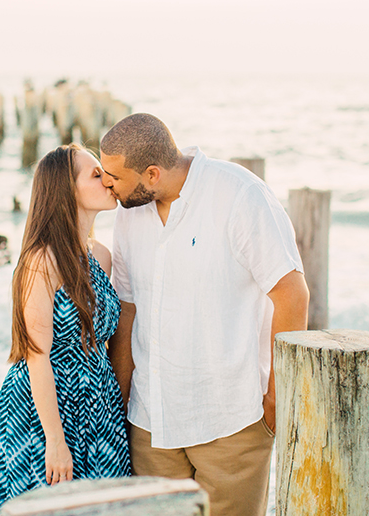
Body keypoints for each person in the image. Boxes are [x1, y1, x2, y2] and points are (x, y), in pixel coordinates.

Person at [99, 114, 309, 516]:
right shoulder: (129, 212)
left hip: (231, 420)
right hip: (150, 422)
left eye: (114, 176)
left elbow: (291, 294)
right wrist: (121, 404)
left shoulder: (239, 195)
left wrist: (277, 398)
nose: (106, 184)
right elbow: (127, 312)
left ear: (153, 174)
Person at [0, 144, 131, 514]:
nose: (108, 180)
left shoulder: (101, 256)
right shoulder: (42, 259)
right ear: (66, 189)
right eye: (95, 174)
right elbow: (37, 356)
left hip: (99, 408)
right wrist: (55, 439)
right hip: (41, 412)